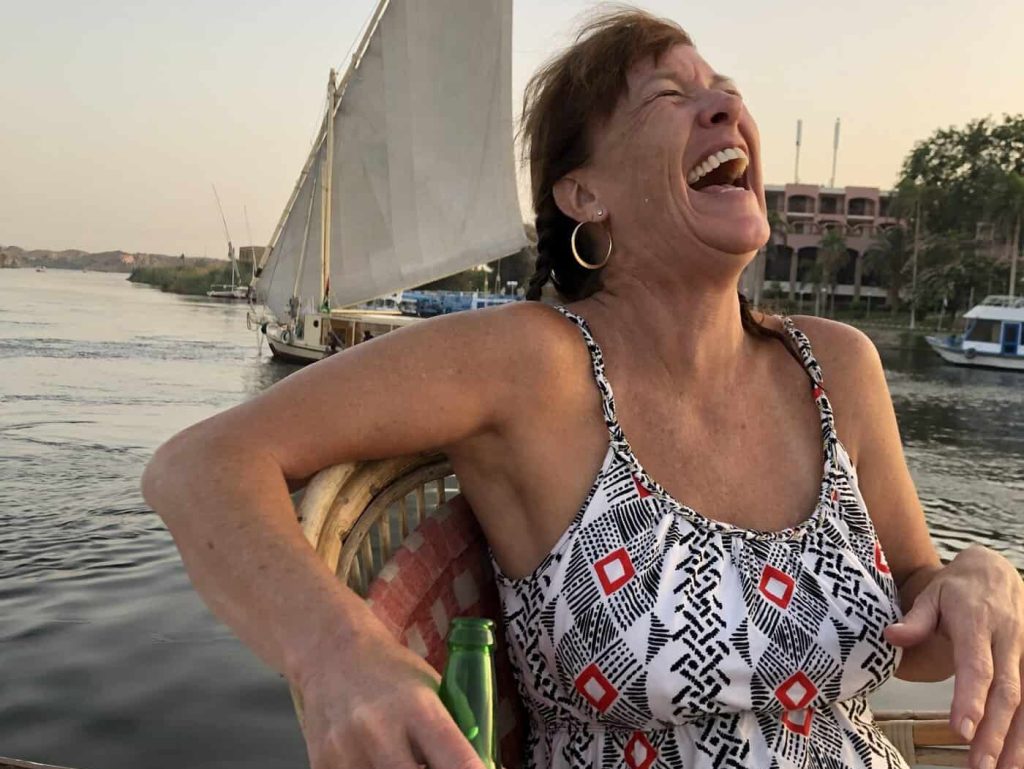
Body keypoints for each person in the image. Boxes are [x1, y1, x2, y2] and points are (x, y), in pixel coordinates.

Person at [142, 9, 1024, 769]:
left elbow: (918, 619)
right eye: (670, 98)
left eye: (724, 87)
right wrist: (335, 652)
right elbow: (201, 465)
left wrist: (976, 579)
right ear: (583, 192)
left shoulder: (837, 365)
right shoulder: (533, 364)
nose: (726, 107)